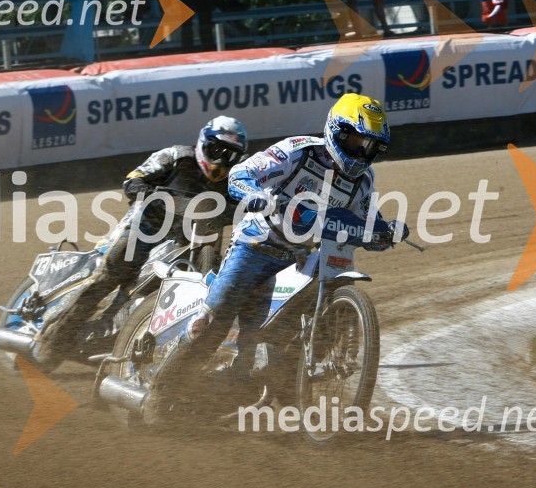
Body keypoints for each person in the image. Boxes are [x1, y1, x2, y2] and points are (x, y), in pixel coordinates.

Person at [164, 93, 408, 399]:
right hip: (255, 246)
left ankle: (260, 380)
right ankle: (163, 390)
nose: (362, 153)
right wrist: (254, 193)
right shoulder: (298, 150)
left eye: (370, 147)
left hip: (300, 259)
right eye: (357, 143)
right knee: (214, 318)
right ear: (337, 131)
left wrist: (386, 232)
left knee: (286, 338)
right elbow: (241, 174)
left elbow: (368, 219)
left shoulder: (364, 181)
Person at [50, 116, 250, 357]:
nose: (221, 159)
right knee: (111, 274)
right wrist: (144, 190)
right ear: (203, 143)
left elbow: (249, 204)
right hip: (146, 229)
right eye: (217, 150)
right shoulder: (176, 156)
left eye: (230, 155)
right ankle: (53, 339)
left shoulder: (236, 181)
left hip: (196, 244)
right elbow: (134, 178)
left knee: (213, 287)